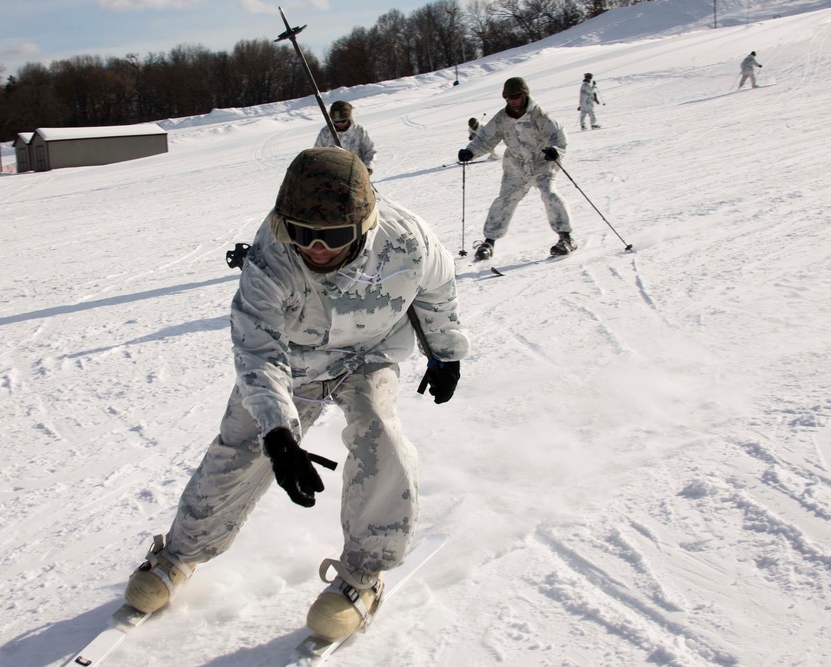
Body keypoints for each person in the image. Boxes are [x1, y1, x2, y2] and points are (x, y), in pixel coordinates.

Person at [123, 147, 468, 643]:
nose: (318, 249)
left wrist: (445, 351)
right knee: (241, 447)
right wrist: (279, 436)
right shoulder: (271, 254)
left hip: (369, 352)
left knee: (380, 433)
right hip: (294, 358)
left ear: (365, 226)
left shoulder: (408, 239)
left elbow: (438, 290)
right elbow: (257, 350)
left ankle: (363, 574)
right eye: (303, 235)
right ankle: (181, 552)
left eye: (334, 237)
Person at [457, 76, 575, 261]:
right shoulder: (501, 118)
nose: (512, 101)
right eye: (508, 98)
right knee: (504, 200)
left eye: (516, 96)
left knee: (550, 194)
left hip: (540, 163)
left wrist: (555, 151)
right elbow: (486, 139)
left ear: (525, 95)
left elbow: (558, 137)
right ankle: (489, 242)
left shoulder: (538, 115)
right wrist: (470, 152)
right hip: (516, 166)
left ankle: (566, 238)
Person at [314, 101, 377, 175]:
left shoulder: (359, 130)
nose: (340, 124)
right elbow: (317, 154)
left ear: (349, 118)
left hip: (356, 173)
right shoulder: (326, 132)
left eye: (343, 121)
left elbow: (370, 150)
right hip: (332, 174)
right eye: (336, 122)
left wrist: (368, 168)